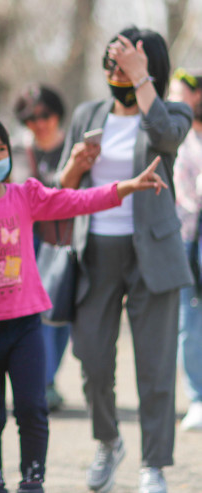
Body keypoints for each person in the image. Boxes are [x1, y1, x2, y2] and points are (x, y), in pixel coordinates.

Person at [0, 111, 168, 493]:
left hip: (25, 326)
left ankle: (33, 482)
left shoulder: (24, 195)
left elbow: (77, 200)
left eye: (0, 149)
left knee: (33, 409)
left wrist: (127, 186)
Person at [58, 26, 192, 493]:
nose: (117, 68)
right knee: (92, 359)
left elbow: (167, 138)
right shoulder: (88, 114)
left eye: (129, 60)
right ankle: (108, 440)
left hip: (153, 252)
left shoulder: (171, 111)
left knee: (155, 366)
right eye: (113, 59)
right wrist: (75, 165)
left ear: (149, 65)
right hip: (95, 250)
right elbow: (61, 189)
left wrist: (142, 80)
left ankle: (154, 464)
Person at [13, 83, 70, 412]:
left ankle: (50, 377)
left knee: (62, 311)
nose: (39, 123)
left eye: (45, 115)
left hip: (66, 240)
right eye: (30, 118)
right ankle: (43, 382)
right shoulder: (17, 150)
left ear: (57, 113)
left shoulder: (74, 146)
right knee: (37, 312)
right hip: (28, 241)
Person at [169, 67, 202, 431]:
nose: (174, 101)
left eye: (180, 95)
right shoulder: (176, 137)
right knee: (189, 319)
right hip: (187, 238)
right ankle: (198, 396)